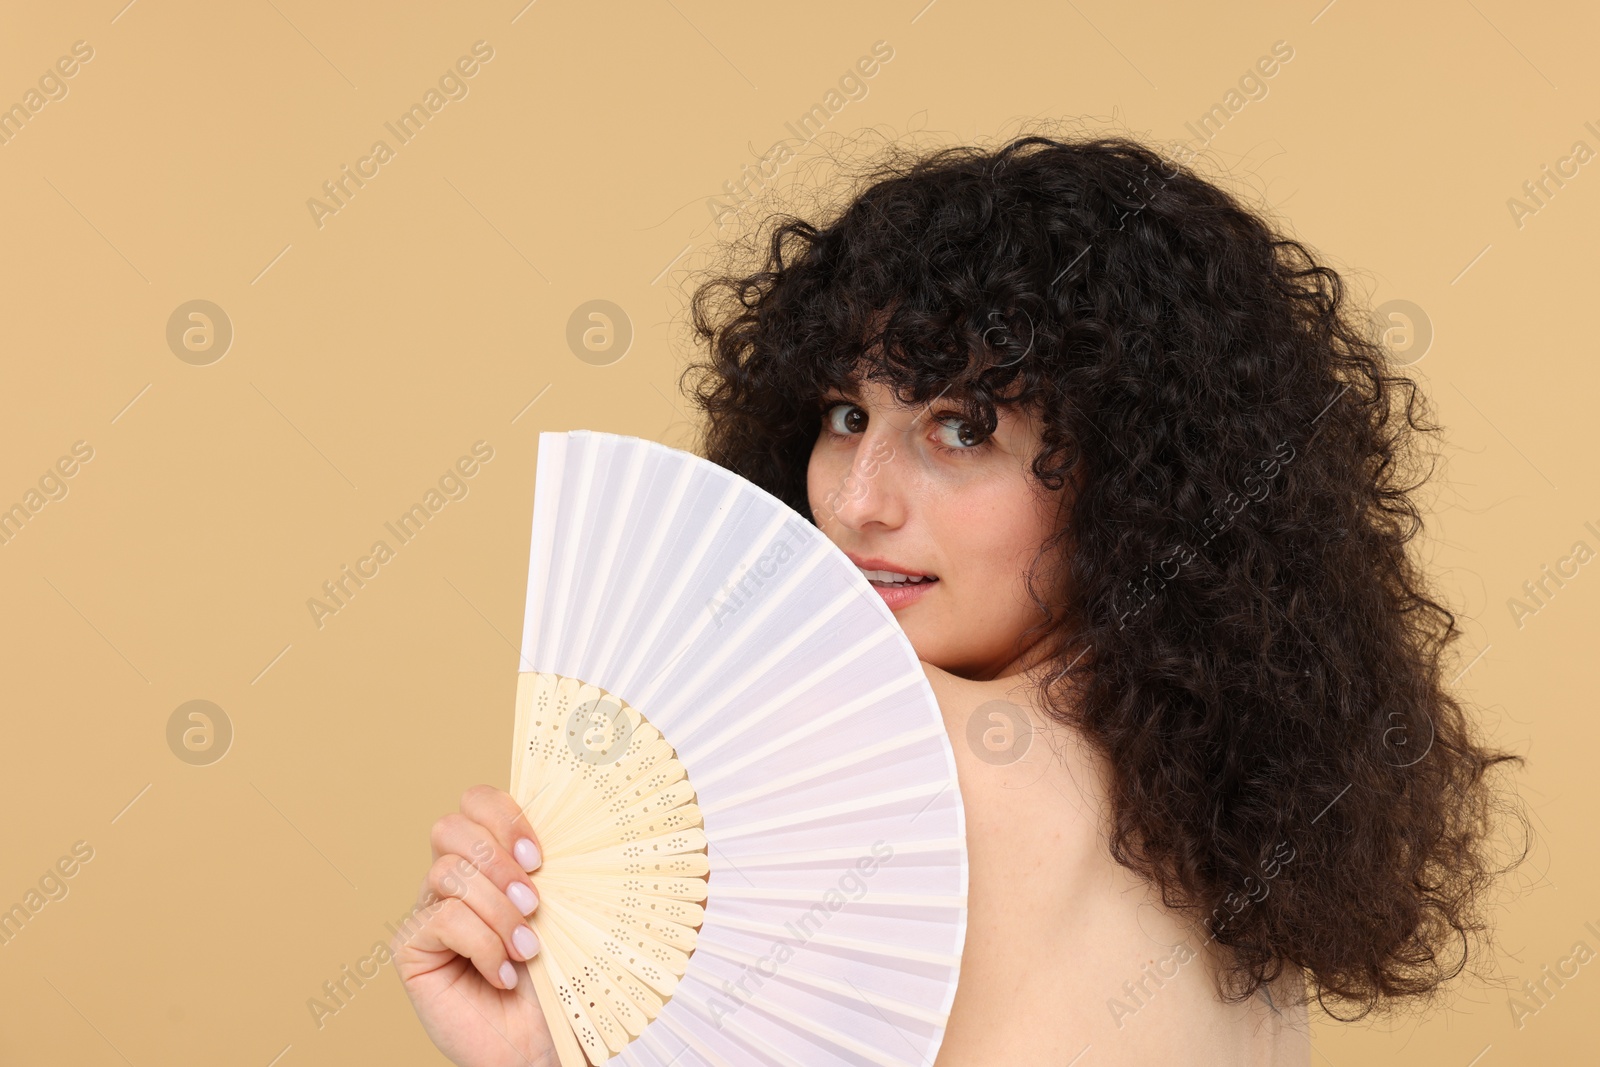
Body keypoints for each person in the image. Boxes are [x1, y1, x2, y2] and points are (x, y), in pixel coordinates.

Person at [393, 130, 1524, 1065]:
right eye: (845, 414)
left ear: (1130, 475)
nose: (857, 501)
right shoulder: (1227, 808)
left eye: (961, 427)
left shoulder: (883, 748)